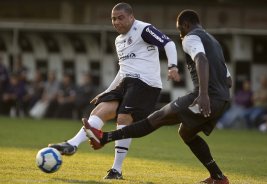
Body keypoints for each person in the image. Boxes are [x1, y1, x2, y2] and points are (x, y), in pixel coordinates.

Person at [82, 9, 231, 184]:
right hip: (222, 100)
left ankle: (104, 138)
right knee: (186, 133)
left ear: (186, 25)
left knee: (157, 118)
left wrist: (204, 94)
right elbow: (228, 79)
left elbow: (201, 60)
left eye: (179, 30)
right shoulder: (213, 41)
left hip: (206, 97)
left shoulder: (191, 37)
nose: (180, 34)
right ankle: (218, 177)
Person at [49, 2, 180, 180]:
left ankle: (116, 170)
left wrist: (172, 66)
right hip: (127, 82)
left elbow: (169, 43)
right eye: (113, 19)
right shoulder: (119, 40)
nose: (116, 22)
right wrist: (107, 91)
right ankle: (72, 144)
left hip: (146, 84)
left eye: (120, 18)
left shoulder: (143, 29)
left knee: (123, 118)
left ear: (131, 17)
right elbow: (123, 69)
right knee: (100, 110)